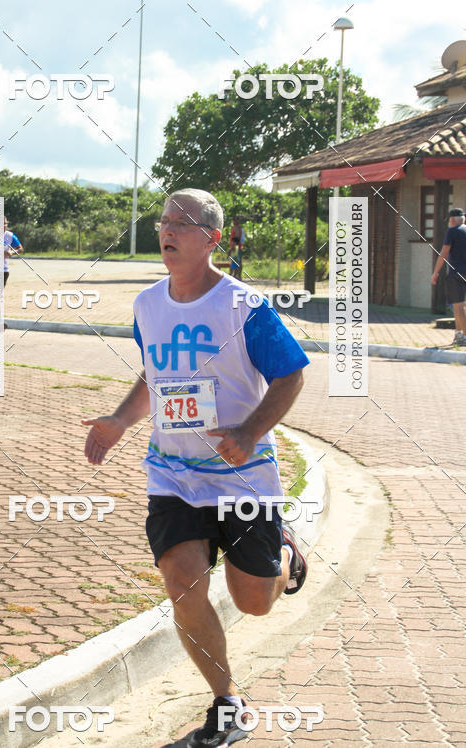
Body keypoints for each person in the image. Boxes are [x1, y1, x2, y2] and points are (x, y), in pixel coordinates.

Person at [82, 188, 310, 747]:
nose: (168, 231)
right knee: (182, 584)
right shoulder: (147, 305)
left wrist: (249, 432)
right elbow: (155, 376)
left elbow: (291, 375)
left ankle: (282, 547)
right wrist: (118, 421)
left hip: (243, 476)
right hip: (173, 474)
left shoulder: (244, 308)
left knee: (253, 603)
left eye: (182, 223)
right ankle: (227, 703)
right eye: (164, 221)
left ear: (211, 238)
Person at [431, 207, 466, 346]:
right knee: (461, 306)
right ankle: (458, 335)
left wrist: (435, 272)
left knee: (458, 306)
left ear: (452, 220)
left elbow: (444, 253)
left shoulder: (452, 231)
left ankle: (464, 336)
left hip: (456, 273)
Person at [3, 216, 23, 286]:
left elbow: (20, 249)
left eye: (5, 223)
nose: (4, 226)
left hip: (4, 269)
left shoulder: (10, 236)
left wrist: (12, 252)